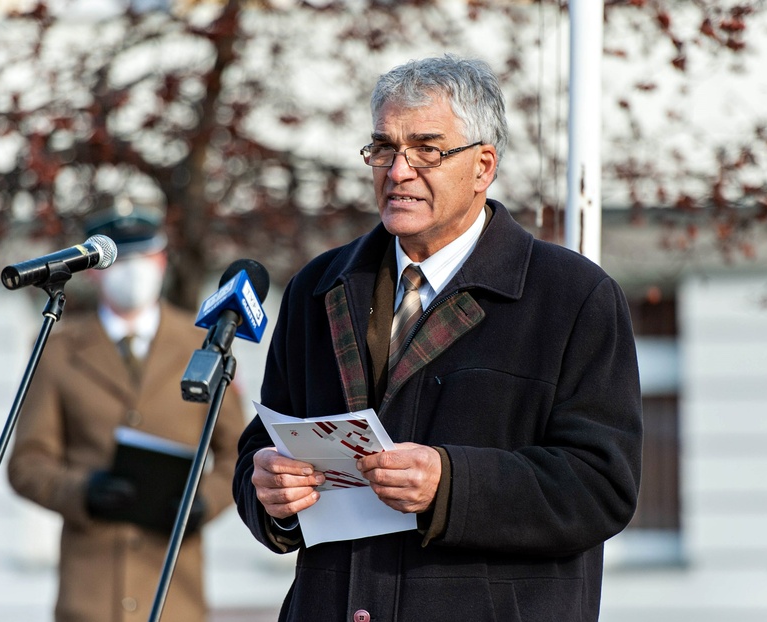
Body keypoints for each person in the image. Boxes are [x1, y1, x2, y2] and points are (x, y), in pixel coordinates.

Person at [233, 54, 643, 622]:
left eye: (427, 149)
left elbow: (601, 486)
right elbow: (262, 446)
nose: (398, 171)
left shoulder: (572, 297)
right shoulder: (317, 288)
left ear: (483, 165)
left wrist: (450, 484)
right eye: (383, 148)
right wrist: (270, 496)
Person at [8, 203, 246, 622]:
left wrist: (204, 501)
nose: (134, 270)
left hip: (174, 595)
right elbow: (26, 463)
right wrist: (82, 491)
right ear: (96, 269)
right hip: (89, 597)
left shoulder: (206, 343)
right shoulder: (59, 350)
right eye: (122, 259)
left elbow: (239, 453)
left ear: (162, 260)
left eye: (144, 256)